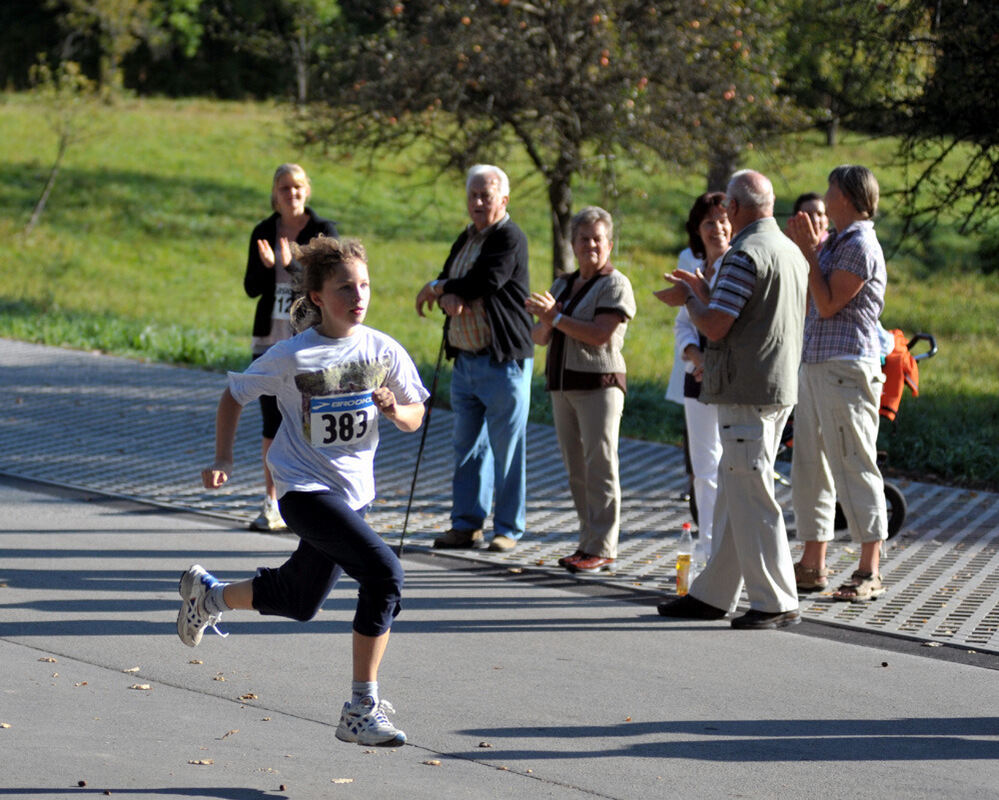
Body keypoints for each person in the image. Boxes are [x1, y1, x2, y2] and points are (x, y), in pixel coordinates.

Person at [181, 237, 428, 747]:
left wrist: (393, 410)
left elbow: (415, 415)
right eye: (344, 288)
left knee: (299, 600)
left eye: (364, 285)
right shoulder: (292, 355)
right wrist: (224, 457)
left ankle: (209, 597)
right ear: (317, 296)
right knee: (385, 574)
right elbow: (234, 395)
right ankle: (361, 707)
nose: (357, 296)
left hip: (352, 497)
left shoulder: (383, 349)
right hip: (304, 491)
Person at [654, 170, 807, 630]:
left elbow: (718, 326)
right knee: (734, 492)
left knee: (752, 494)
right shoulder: (788, 250)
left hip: (746, 389)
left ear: (736, 209)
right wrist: (703, 291)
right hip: (774, 388)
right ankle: (713, 593)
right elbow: (752, 315)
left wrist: (689, 300)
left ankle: (776, 600)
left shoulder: (745, 255)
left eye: (727, 212)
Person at [415, 164, 533, 553]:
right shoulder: (466, 237)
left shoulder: (509, 237)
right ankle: (466, 525)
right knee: (466, 448)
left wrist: (442, 288)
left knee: (507, 451)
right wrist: (448, 290)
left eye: (487, 195)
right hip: (465, 362)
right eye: (473, 196)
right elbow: (454, 277)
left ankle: (508, 530)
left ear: (505, 199)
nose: (479, 202)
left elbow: (486, 281)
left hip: (502, 362)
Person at [786, 165, 889, 601]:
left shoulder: (859, 244)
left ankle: (869, 570)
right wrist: (807, 253)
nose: (824, 198)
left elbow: (827, 305)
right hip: (817, 365)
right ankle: (812, 565)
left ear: (846, 197)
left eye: (831, 190)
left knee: (855, 463)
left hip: (847, 369)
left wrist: (809, 254)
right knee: (810, 466)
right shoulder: (838, 243)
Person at [525, 206, 636, 573]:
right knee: (576, 469)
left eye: (598, 239)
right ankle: (586, 542)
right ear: (572, 243)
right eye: (584, 239)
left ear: (610, 244)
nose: (591, 245)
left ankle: (604, 545)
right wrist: (544, 321)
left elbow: (600, 334)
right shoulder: (562, 284)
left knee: (600, 465)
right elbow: (540, 337)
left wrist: (554, 318)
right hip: (562, 386)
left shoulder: (614, 284)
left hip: (598, 386)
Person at [243, 163, 339, 532]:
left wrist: (293, 265)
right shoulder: (263, 231)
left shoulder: (323, 231)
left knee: (313, 421)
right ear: (275, 194)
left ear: (307, 191)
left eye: (297, 187)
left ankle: (318, 501)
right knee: (272, 423)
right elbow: (251, 287)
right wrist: (270, 268)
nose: (292, 194)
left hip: (312, 341)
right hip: (270, 340)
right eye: (284, 188)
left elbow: (333, 280)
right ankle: (272, 503)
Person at [663, 192, 731, 562]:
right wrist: (696, 356)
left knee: (736, 468)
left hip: (736, 382)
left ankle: (733, 553)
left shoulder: (742, 263)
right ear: (697, 230)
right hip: (699, 378)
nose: (717, 228)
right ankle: (707, 553)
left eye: (723, 220)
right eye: (709, 222)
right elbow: (683, 326)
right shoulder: (692, 265)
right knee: (704, 470)